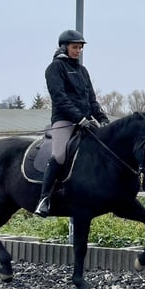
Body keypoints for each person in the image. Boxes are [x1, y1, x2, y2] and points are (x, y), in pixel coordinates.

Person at [34, 29, 109, 217]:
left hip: (85, 122)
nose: (78, 51)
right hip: (64, 121)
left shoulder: (83, 71)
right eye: (75, 47)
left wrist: (102, 118)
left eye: (80, 48)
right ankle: (44, 199)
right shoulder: (55, 68)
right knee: (59, 155)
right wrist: (80, 119)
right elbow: (60, 98)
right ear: (64, 47)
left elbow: (91, 99)